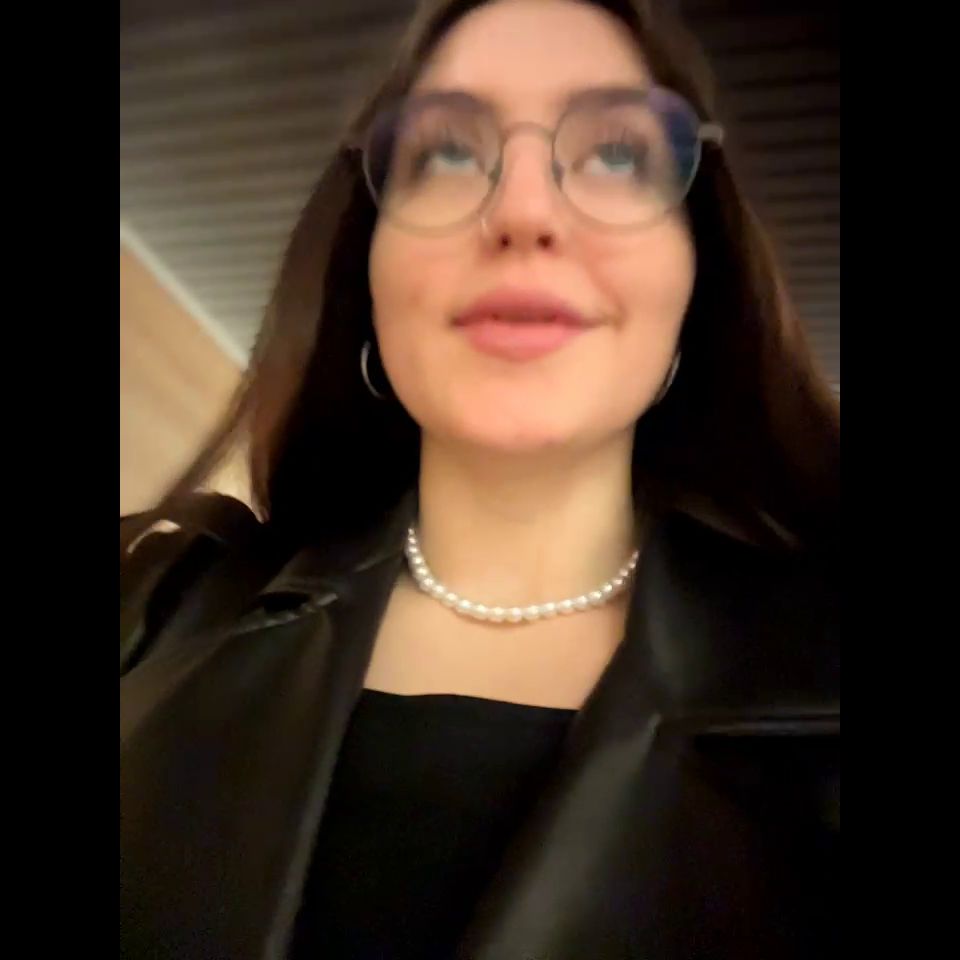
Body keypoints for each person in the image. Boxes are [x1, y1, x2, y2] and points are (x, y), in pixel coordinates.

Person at [120, 0, 840, 957]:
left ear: (695, 274)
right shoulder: (148, 612)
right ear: (368, 271)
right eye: (449, 152)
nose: (525, 214)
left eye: (616, 154)